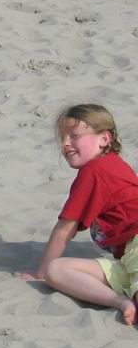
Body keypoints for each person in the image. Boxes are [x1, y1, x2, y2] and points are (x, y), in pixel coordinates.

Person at [18, 104, 138, 325]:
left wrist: (39, 274)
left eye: (74, 136)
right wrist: (46, 273)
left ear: (104, 138)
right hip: (127, 262)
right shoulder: (109, 165)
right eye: (62, 138)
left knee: (48, 271)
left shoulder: (96, 170)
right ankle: (121, 301)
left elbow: (66, 228)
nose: (65, 143)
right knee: (56, 270)